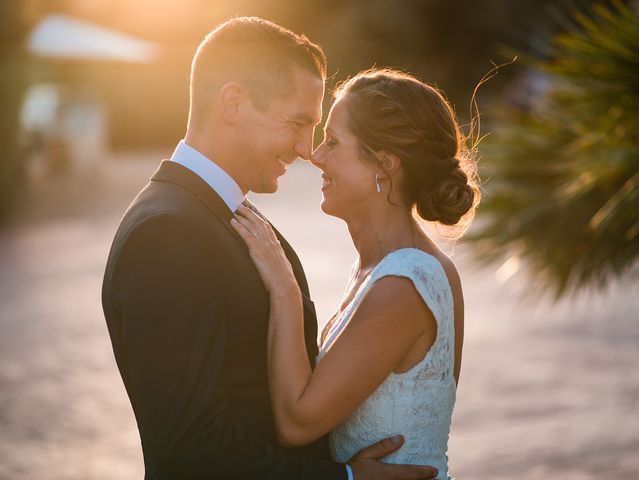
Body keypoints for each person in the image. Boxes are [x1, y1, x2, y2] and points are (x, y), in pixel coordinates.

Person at [102, 17, 438, 480]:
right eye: (297, 123)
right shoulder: (167, 232)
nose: (306, 149)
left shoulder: (232, 218)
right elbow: (187, 443)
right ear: (233, 103)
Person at [231, 68, 481, 480]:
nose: (315, 156)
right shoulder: (382, 269)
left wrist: (283, 289)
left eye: (333, 142)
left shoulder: (404, 286)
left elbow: (296, 423)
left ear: (384, 165)